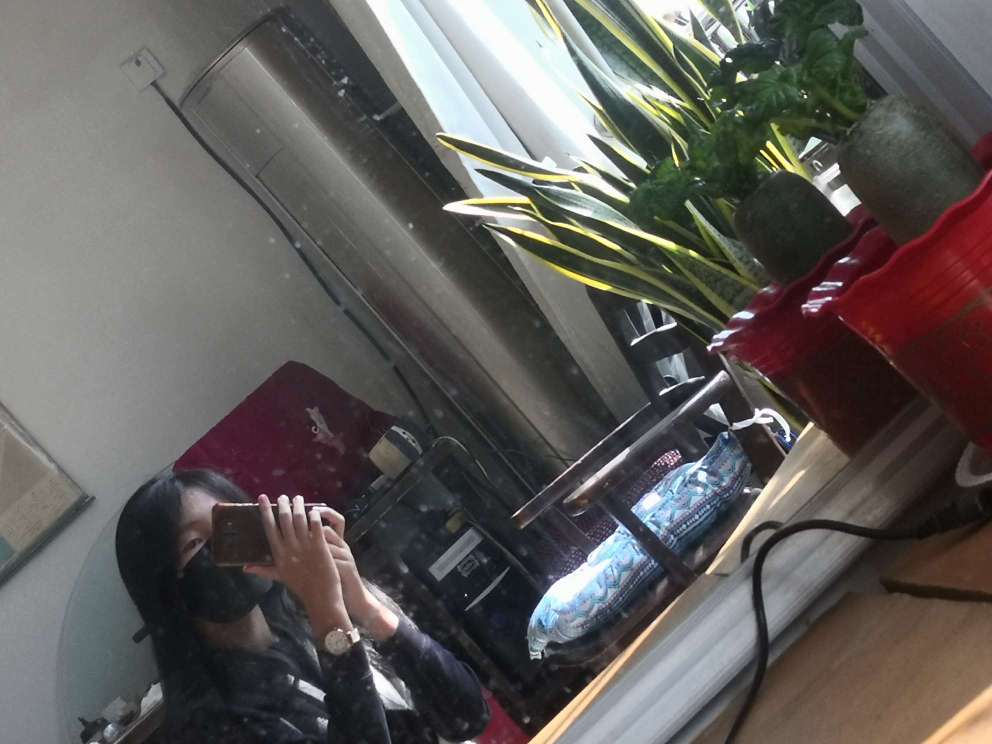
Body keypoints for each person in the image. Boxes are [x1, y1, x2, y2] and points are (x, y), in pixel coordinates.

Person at [116, 469, 490, 743]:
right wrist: (328, 615)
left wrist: (363, 604)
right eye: (195, 544)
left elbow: (467, 716)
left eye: (232, 528)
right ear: (165, 589)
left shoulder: (308, 619)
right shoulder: (210, 723)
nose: (222, 550)